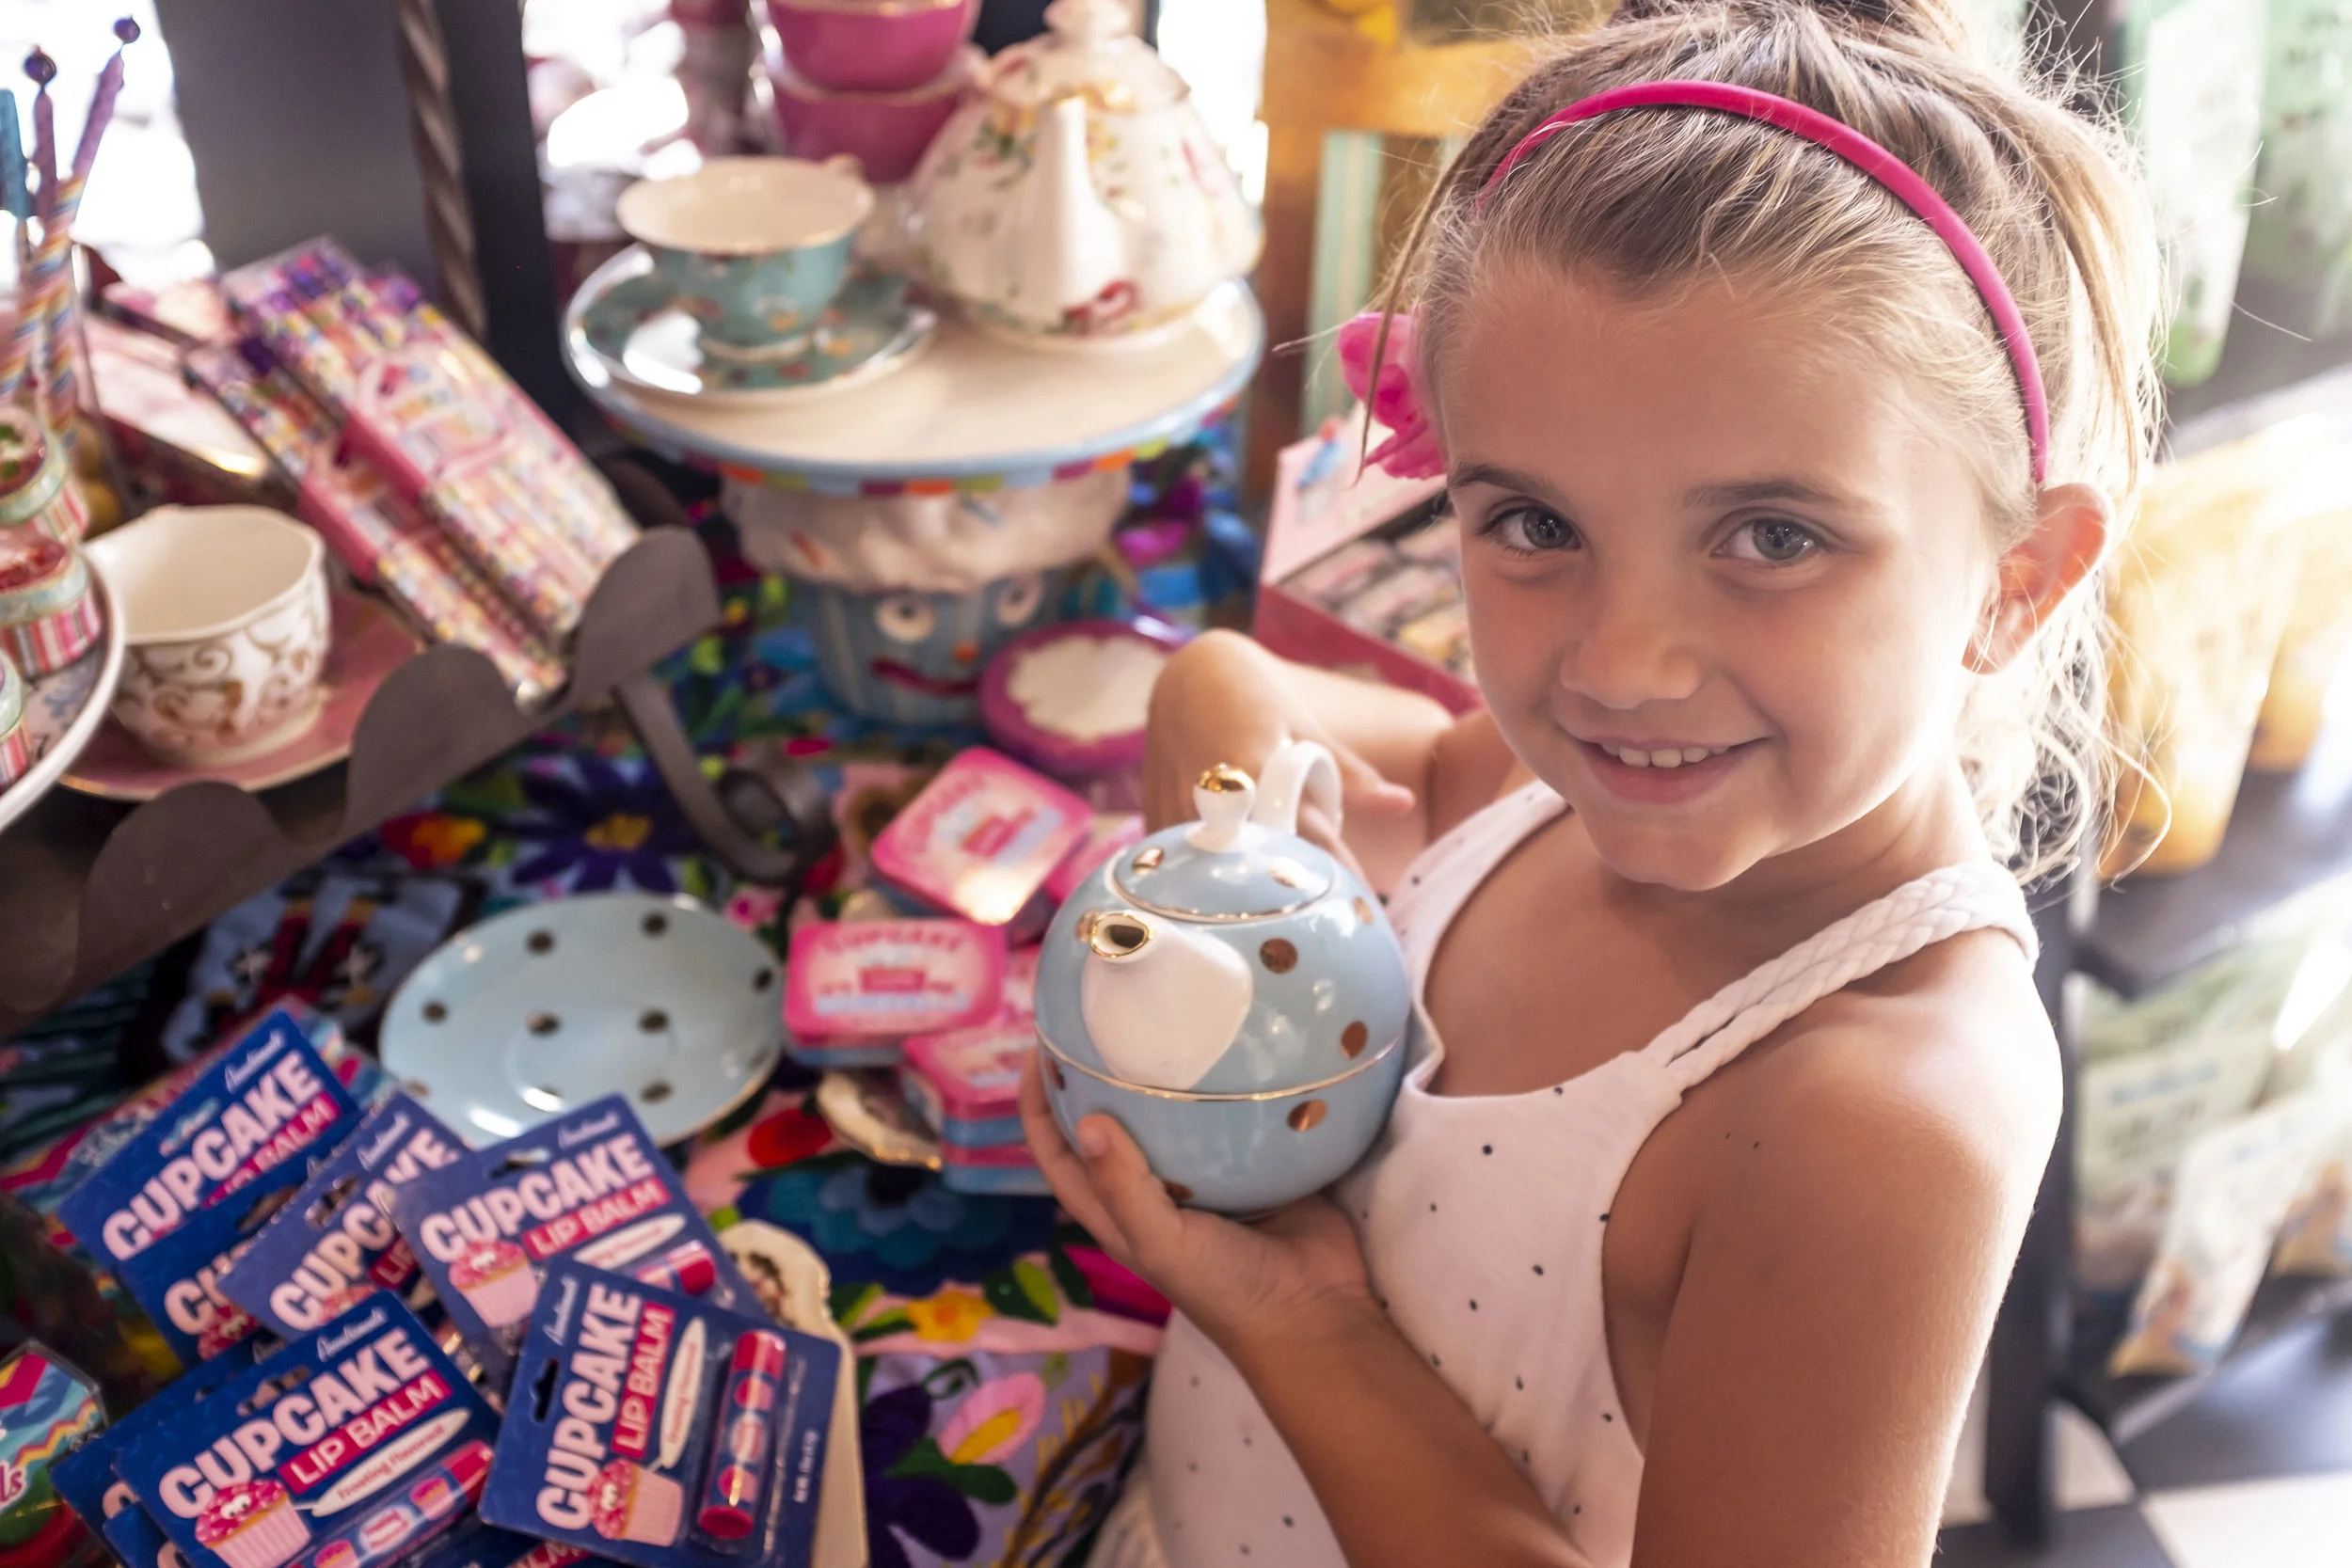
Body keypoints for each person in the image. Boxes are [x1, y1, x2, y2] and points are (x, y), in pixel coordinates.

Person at [1019, 1, 2161, 1562]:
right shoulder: (1557, 790)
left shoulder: (1876, 1115)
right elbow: (1308, 725)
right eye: (1537, 525)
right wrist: (1226, 754)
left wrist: (1297, 1317)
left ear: (2015, 577)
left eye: (1773, 537)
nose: (1621, 666)